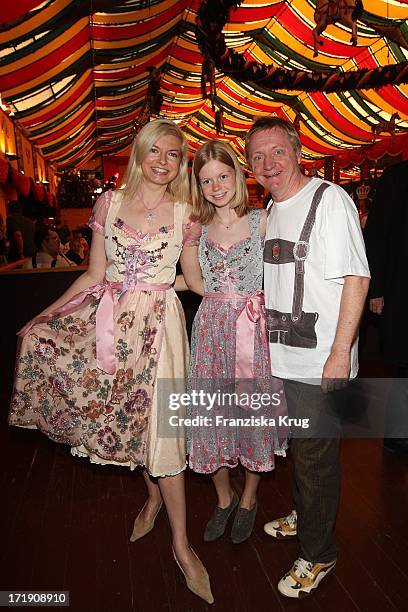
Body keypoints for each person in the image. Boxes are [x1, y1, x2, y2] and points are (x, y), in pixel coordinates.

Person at [9, 118, 213, 605]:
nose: (164, 162)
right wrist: (42, 316)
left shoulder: (187, 212)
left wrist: (242, 287)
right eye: (156, 151)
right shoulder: (110, 203)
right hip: (111, 327)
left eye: (174, 154)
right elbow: (95, 274)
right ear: (140, 153)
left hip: (161, 331)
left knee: (163, 434)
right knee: (129, 422)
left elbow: (195, 280)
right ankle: (150, 499)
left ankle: (182, 547)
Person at [245, 117, 370, 598]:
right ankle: (306, 514)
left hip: (321, 359)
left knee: (317, 458)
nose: (267, 163)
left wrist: (340, 354)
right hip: (282, 358)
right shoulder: (273, 210)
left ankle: (319, 555)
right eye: (257, 156)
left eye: (276, 151)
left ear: (297, 151)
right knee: (302, 449)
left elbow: (356, 279)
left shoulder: (329, 199)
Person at [182, 140, 287, 545]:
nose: (217, 186)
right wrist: (190, 241)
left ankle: (248, 500)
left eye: (223, 176)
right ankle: (224, 498)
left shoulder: (265, 220)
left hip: (256, 330)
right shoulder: (197, 227)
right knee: (213, 417)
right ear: (199, 185)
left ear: (238, 175)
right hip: (211, 332)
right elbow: (195, 284)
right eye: (207, 180)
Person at [364, 160, 408, 454]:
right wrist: (376, 290)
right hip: (401, 286)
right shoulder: (399, 176)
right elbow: (377, 234)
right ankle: (397, 434)